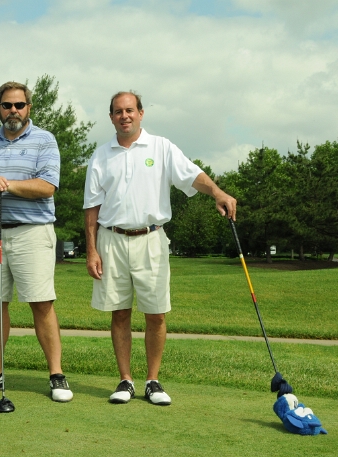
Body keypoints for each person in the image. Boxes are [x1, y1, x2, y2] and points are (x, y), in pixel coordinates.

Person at [83, 91, 237, 406]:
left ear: (141, 113)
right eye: (118, 112)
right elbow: (91, 207)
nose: (124, 116)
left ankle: (152, 381)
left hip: (151, 239)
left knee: (156, 314)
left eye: (130, 110)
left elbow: (192, 176)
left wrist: (218, 192)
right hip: (111, 240)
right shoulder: (100, 155)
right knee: (119, 313)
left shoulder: (161, 147)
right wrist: (91, 249)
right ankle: (125, 380)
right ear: (111, 117)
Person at [0, 81, 73, 402]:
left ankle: (57, 375)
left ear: (28, 108)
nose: (13, 111)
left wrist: (4, 184)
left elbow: (47, 185)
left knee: (41, 302)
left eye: (19, 105)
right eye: (7, 105)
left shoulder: (44, 140)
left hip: (32, 233)